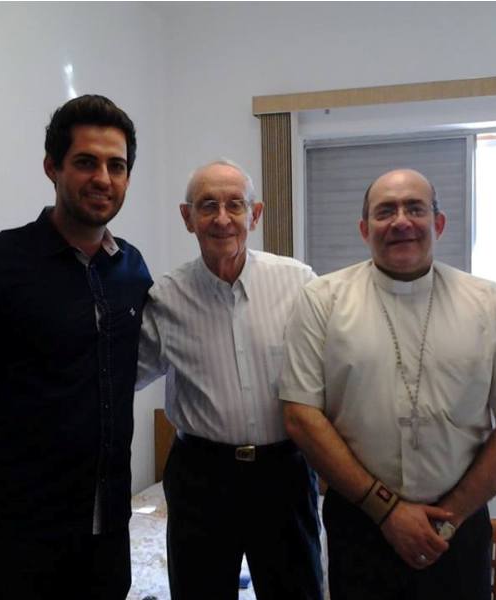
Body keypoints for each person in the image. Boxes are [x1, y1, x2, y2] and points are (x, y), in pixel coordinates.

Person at [0, 95, 152, 600]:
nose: (103, 178)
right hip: (10, 549)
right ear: (52, 167)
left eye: (117, 165)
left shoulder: (132, 269)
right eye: (86, 162)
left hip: (106, 547)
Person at [279, 168, 496, 600]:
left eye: (415, 208)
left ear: (439, 222)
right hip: (360, 522)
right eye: (384, 211)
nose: (401, 222)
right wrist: (387, 511)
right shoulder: (321, 300)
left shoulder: (489, 304)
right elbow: (300, 415)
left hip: (457, 526)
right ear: (364, 229)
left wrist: (448, 519)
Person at [137, 159, 324, 600]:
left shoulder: (299, 284)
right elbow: (120, 375)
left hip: (284, 472)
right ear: (188, 218)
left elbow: (347, 359)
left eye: (235, 205)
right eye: (207, 206)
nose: (222, 219)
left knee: (297, 591)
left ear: (254, 215)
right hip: (201, 476)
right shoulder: (165, 298)